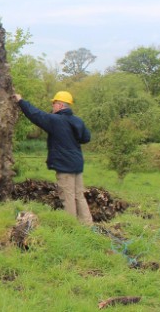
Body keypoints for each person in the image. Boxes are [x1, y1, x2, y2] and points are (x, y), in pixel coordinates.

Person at [14, 91, 93, 225]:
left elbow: (36, 115)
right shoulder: (77, 121)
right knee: (79, 195)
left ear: (61, 105)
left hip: (65, 165)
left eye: (54, 103)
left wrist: (21, 101)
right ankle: (87, 224)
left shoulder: (56, 120)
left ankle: (71, 226)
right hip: (77, 164)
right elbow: (86, 138)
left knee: (67, 196)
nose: (52, 106)